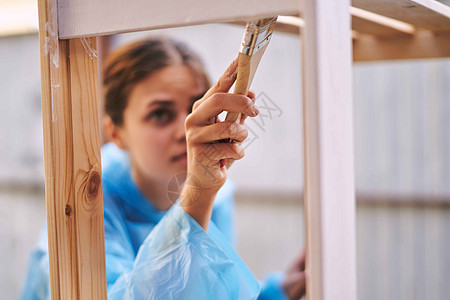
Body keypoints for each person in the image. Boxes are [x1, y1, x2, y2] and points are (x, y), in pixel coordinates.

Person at [21, 37, 305, 300]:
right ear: (116, 133)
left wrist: (277, 292)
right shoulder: (85, 198)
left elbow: (209, 292)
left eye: (196, 108)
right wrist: (199, 192)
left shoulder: (217, 195)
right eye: (160, 113)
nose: (186, 130)